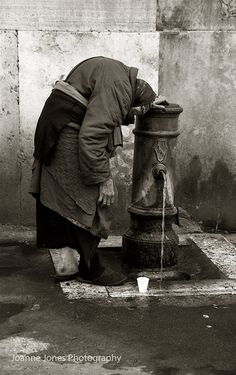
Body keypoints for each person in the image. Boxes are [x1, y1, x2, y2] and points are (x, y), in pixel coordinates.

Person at [29, 56, 167, 286]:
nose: (133, 118)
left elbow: (105, 110)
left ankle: (67, 264)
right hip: (66, 130)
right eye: (136, 112)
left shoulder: (118, 76)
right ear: (134, 99)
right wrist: (103, 178)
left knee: (60, 195)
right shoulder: (120, 87)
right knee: (92, 199)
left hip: (55, 124)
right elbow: (92, 136)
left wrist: (148, 104)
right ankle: (91, 269)